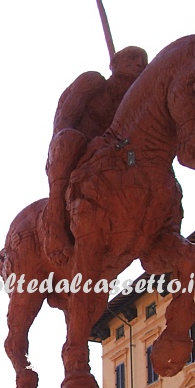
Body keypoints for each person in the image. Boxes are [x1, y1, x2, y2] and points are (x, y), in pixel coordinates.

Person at [45, 46, 148, 263]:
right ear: (115, 62)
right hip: (71, 151)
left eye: (143, 61)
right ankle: (54, 219)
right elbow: (63, 122)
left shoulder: (134, 104)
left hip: (106, 157)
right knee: (69, 140)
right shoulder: (93, 82)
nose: (139, 63)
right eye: (132, 57)